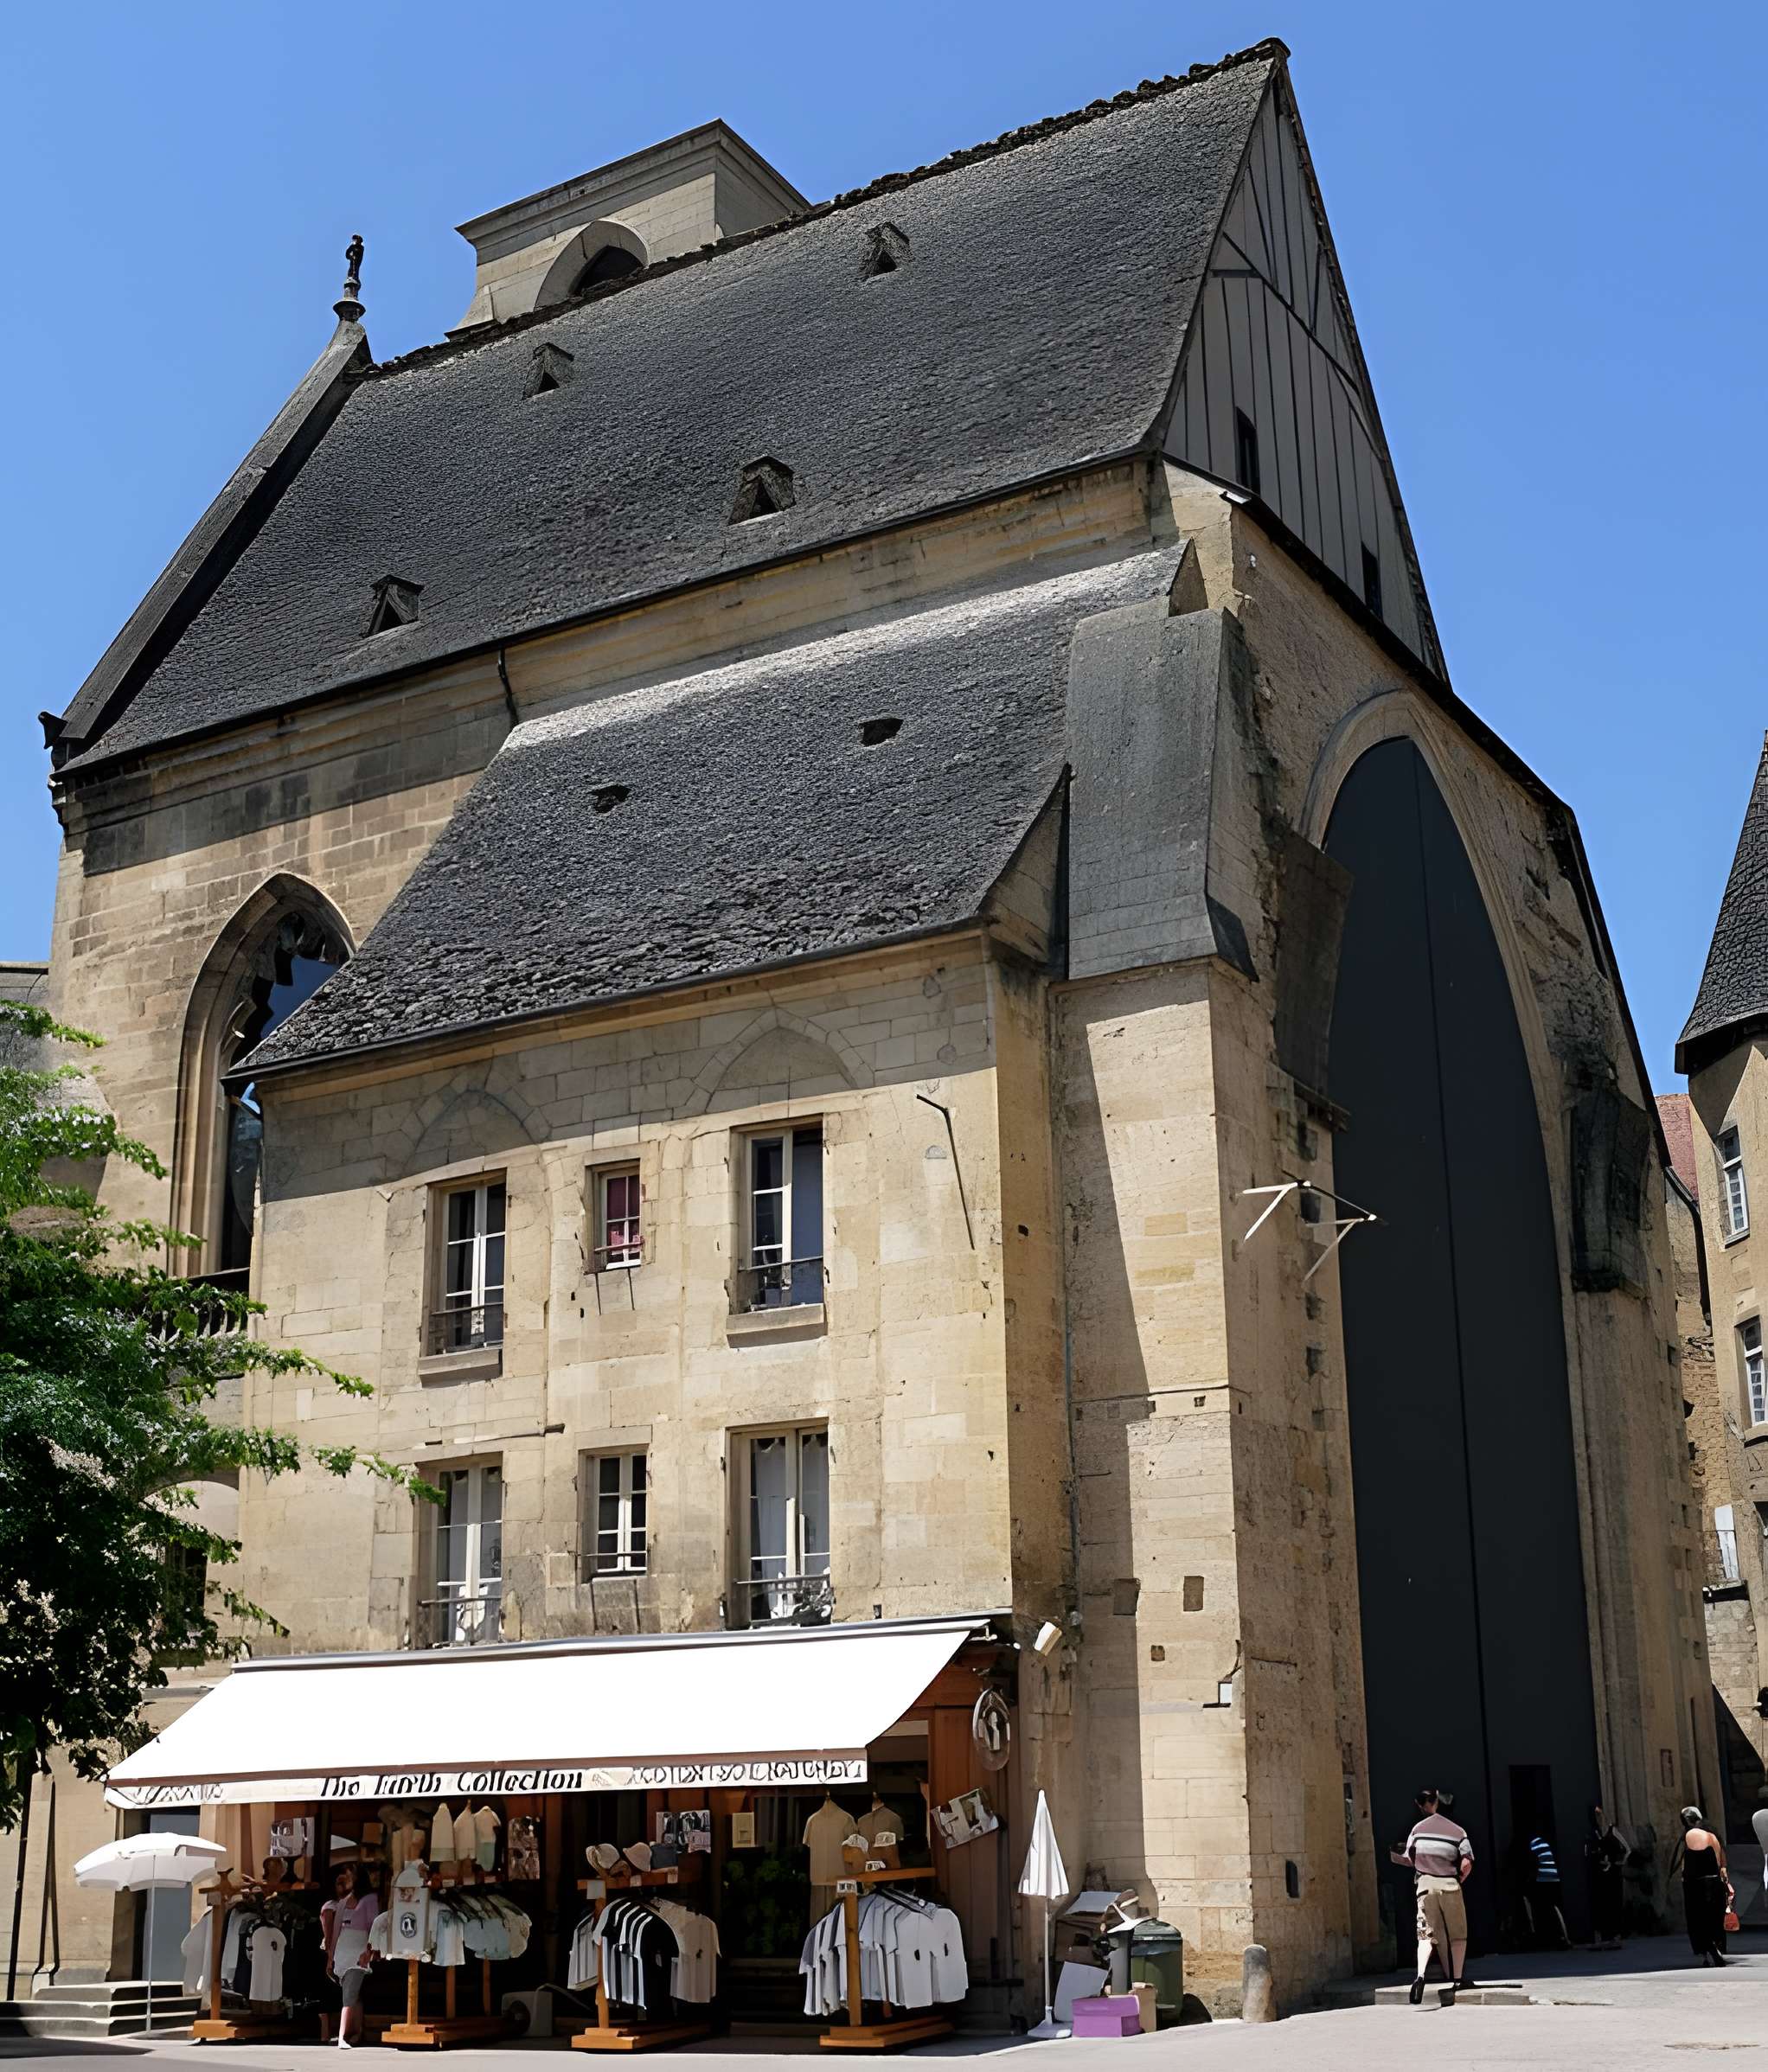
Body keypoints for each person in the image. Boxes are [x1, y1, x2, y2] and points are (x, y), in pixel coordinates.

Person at [1390, 1787, 1474, 2004]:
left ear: (1420, 1806)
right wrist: (1458, 1878)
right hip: (1449, 1884)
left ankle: (1419, 1977)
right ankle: (1457, 1979)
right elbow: (1466, 1863)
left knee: (1425, 1936)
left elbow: (1409, 1858)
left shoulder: (1417, 1830)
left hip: (1425, 1884)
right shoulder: (1458, 1831)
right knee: (1458, 1934)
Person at [320, 1863, 381, 2047]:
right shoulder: (343, 1902)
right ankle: (355, 2032)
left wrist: (370, 1951)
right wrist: (330, 1958)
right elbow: (335, 1931)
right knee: (354, 1994)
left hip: (358, 1948)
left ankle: (343, 2036)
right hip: (343, 1949)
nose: (347, 1880)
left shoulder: (370, 1898)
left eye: (349, 1876)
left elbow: (373, 1926)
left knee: (350, 1993)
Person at [1675, 1807, 1731, 1966]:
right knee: (1715, 1917)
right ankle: (1716, 1948)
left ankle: (1705, 1954)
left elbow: (1683, 1864)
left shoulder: (1688, 1837)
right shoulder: (1713, 1836)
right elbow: (1722, 1862)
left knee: (1697, 1919)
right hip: (1714, 1882)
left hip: (1694, 1884)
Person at [1584, 1805, 1629, 1950]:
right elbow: (1588, 1853)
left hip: (1613, 1876)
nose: (1599, 1817)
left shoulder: (1611, 1830)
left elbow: (1627, 1849)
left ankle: (1615, 1936)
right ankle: (1600, 1937)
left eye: (1600, 1813)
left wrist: (1617, 1863)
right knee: (1600, 1904)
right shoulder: (1592, 1833)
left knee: (1614, 1903)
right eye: (1596, 1814)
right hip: (1599, 1876)